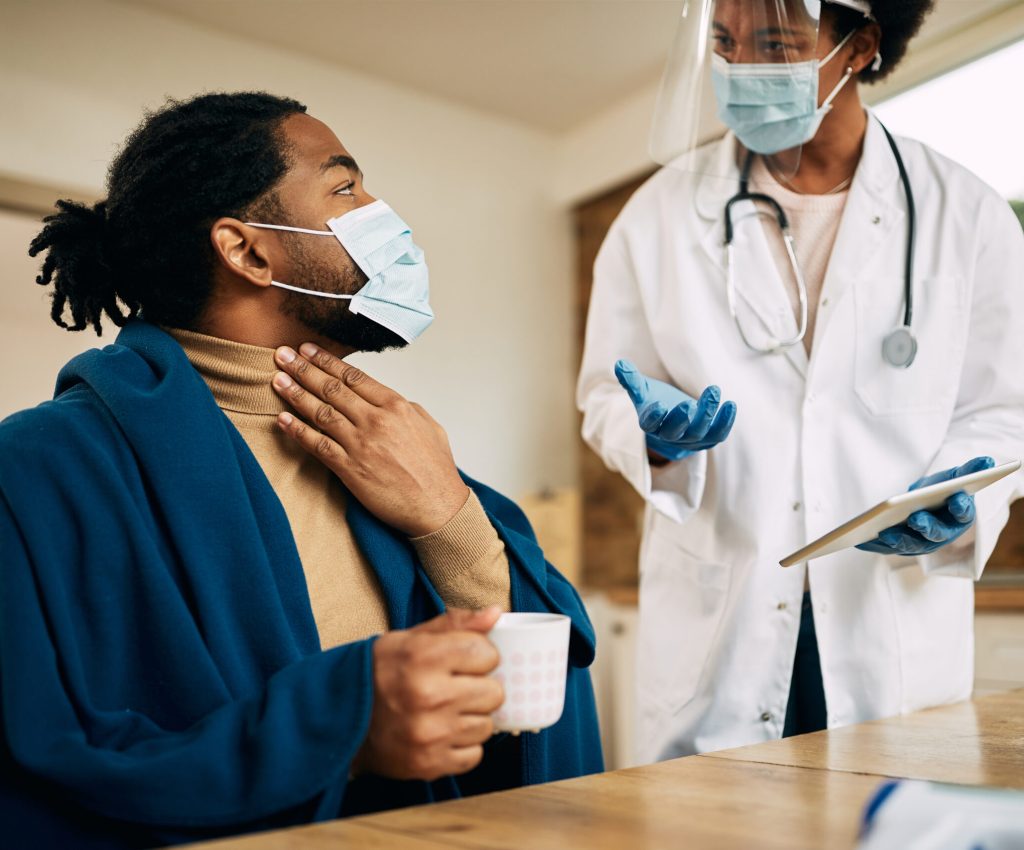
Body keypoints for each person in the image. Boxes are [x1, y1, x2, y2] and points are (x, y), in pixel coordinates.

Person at [0, 92, 602, 848]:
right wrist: (340, 727)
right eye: (345, 188)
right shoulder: (34, 475)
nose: (383, 214)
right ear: (247, 249)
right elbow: (40, 770)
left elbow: (536, 692)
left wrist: (450, 517)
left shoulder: (399, 453)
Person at [577, 0, 1024, 763]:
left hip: (889, 622)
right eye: (725, 41)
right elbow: (607, 394)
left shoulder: (969, 215)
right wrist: (654, 439)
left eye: (778, 44)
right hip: (723, 631)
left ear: (860, 47)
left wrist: (966, 497)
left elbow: (1003, 411)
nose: (743, 67)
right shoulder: (656, 216)